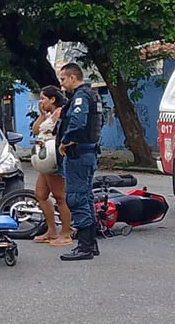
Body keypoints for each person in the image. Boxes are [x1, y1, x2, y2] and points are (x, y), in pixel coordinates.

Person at [56, 63, 103, 261]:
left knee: (76, 197)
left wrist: (65, 141)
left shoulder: (81, 97)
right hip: (86, 153)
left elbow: (77, 122)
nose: (61, 83)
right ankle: (90, 244)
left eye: (63, 79)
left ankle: (84, 246)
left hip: (78, 154)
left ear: (73, 78)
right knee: (85, 197)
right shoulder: (90, 95)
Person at [30, 86, 73, 247]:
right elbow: (35, 130)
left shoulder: (60, 113)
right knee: (41, 194)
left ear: (52, 99)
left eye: (43, 98)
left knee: (59, 196)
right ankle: (51, 229)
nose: (41, 102)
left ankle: (65, 232)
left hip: (53, 158)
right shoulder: (47, 115)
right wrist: (41, 115)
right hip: (44, 158)